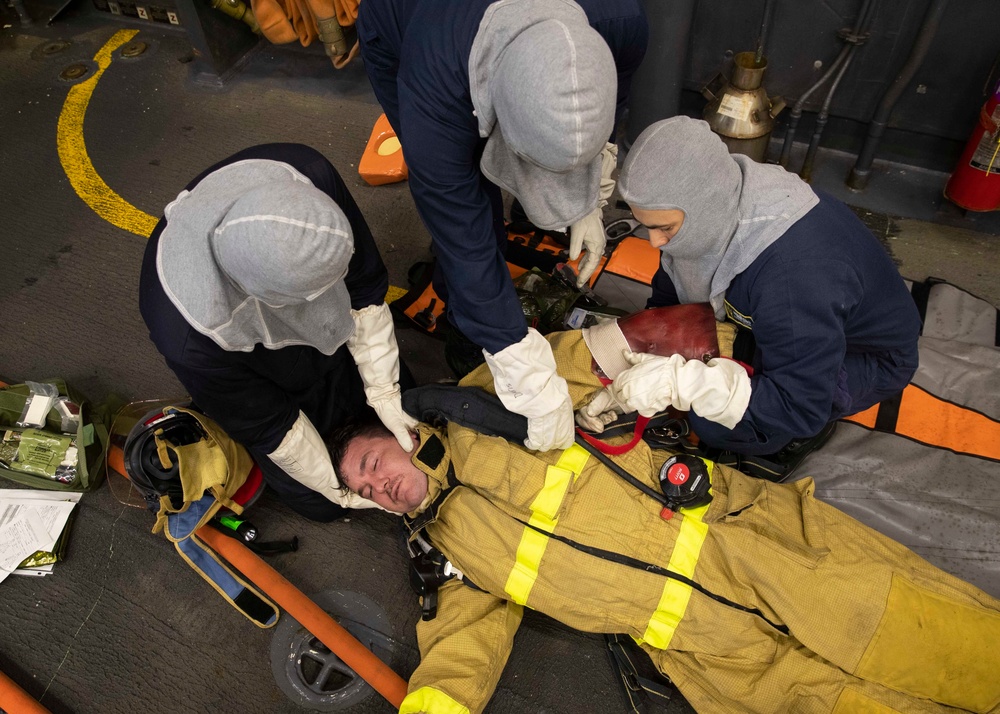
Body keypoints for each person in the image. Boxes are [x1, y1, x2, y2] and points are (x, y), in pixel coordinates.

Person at [328, 324, 1000, 714]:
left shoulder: (487, 401)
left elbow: (627, 344)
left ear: (396, 428)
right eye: (364, 489)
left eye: (371, 461)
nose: (378, 486)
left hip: (738, 542)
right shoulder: (440, 545)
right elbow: (461, 640)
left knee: (906, 622)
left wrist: (752, 358)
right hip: (695, 644)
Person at [356, 0, 648, 452]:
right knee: (471, 208)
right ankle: (470, 333)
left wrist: (592, 198)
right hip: (409, 29)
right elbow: (463, 236)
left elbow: (612, 108)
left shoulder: (621, 23)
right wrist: (531, 384)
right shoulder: (435, 102)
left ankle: (493, 315)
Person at [582, 116, 922, 465]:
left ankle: (795, 435)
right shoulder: (719, 200)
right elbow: (668, 309)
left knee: (713, 422)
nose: (655, 243)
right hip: (787, 317)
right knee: (703, 365)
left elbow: (799, 404)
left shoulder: (792, 277)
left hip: (863, 356)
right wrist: (631, 372)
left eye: (665, 228)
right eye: (648, 226)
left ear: (704, 206)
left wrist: (684, 385)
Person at [139, 143, 416, 521]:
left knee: (409, 403)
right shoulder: (191, 338)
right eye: (311, 300)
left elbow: (364, 288)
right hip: (266, 376)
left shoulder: (309, 173)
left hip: (313, 313)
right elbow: (271, 424)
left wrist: (383, 391)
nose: (379, 487)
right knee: (320, 503)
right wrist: (339, 491)